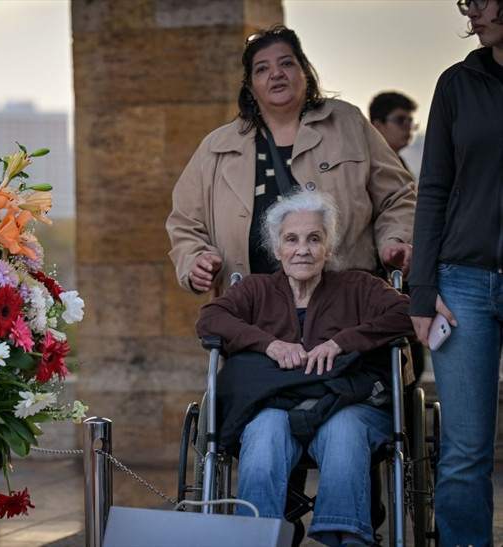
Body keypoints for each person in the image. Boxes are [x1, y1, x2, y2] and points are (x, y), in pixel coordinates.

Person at [196, 191, 415, 546]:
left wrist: (343, 341)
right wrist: (269, 344)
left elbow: (408, 313)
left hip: (348, 407)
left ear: (328, 248)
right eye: (291, 239)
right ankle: (256, 538)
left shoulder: (358, 287)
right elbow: (210, 319)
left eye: (314, 239)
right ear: (277, 249)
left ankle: (348, 537)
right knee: (264, 434)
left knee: (344, 431)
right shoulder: (256, 290)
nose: (303, 249)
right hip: (274, 408)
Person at [167, 25, 416, 295]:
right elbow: (185, 222)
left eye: (286, 63)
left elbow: (398, 196)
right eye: (262, 69)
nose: (276, 73)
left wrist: (395, 241)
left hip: (347, 304)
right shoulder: (216, 147)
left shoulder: (348, 123)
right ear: (250, 87)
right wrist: (196, 260)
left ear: (304, 72)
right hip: (253, 310)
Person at [408, 0, 503, 544]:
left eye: (483, 0)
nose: (472, 13)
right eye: (467, 3)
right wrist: (422, 290)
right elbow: (434, 190)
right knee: (466, 451)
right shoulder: (458, 83)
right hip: (462, 282)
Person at [368, 91, 418, 164]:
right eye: (400, 120)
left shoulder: (398, 162)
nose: (408, 127)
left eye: (410, 121)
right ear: (377, 126)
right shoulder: (368, 165)